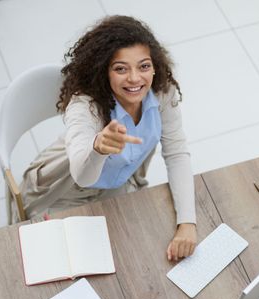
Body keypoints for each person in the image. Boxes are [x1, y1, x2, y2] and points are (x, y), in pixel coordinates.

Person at [15, 15, 196, 261]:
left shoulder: (163, 91)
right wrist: (98, 148)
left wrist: (187, 223)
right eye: (121, 69)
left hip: (117, 186)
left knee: (132, 254)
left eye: (143, 66)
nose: (135, 78)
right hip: (66, 191)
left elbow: (176, 154)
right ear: (104, 71)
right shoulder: (84, 106)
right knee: (64, 261)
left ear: (154, 66)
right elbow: (82, 175)